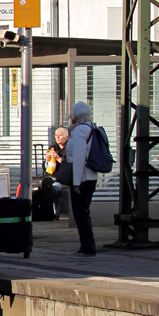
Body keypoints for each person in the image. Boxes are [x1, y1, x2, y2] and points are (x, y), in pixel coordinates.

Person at [65, 102, 99, 258]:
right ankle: (87, 246)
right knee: (84, 212)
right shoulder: (91, 127)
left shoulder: (79, 131)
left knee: (81, 214)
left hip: (82, 178)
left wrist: (76, 182)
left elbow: (79, 157)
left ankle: (87, 247)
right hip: (90, 177)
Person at [39, 127, 70, 220]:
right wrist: (46, 161)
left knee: (55, 188)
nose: (58, 138)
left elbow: (69, 166)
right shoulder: (53, 148)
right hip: (52, 176)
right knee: (44, 187)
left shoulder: (69, 149)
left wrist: (58, 158)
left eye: (60, 135)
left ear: (66, 137)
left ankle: (56, 212)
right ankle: (45, 213)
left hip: (64, 178)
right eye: (56, 136)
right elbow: (45, 167)